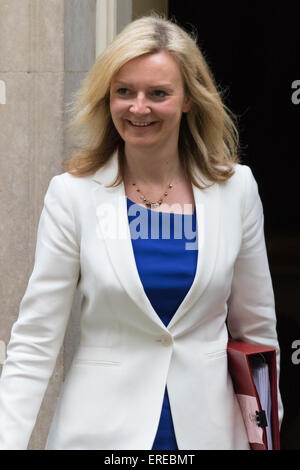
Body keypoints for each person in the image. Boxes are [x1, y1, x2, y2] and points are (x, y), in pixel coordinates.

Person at [0, 13, 283, 450]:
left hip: (209, 434)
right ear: (107, 97)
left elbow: (258, 334)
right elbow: (36, 339)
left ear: (188, 99)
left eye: (158, 93)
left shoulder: (237, 189)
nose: (138, 108)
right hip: (99, 436)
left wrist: (267, 430)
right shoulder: (71, 195)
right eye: (124, 92)